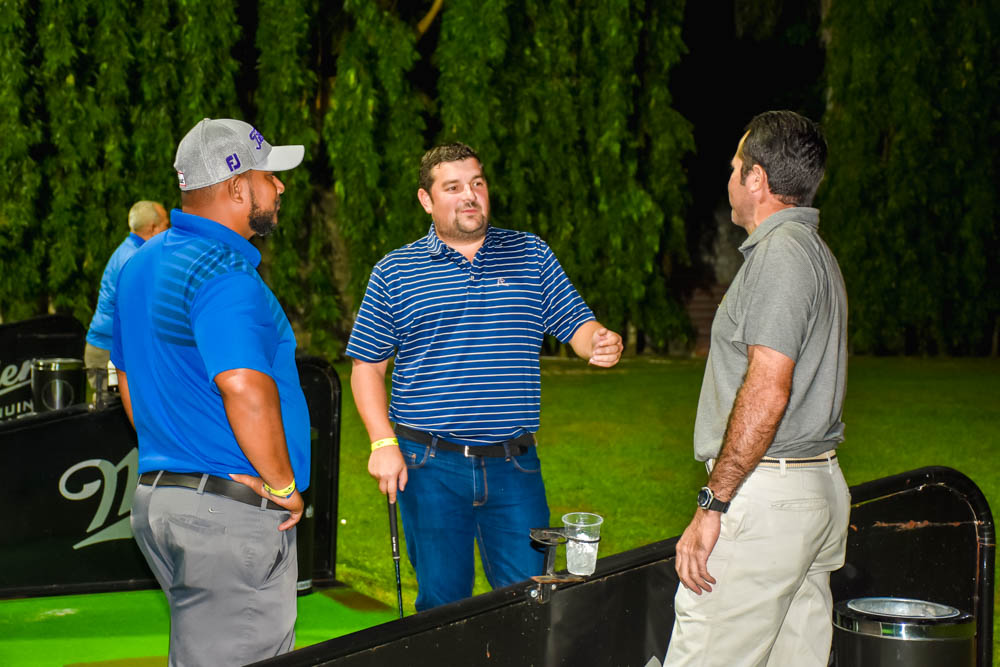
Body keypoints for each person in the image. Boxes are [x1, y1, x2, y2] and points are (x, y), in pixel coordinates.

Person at [346, 142, 623, 612]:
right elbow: (367, 367)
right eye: (453, 187)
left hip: (514, 465)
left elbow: (576, 323)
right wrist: (381, 441)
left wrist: (597, 339)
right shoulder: (395, 271)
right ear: (426, 199)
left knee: (532, 599)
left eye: (477, 183)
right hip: (428, 465)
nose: (470, 195)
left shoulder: (530, 254)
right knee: (443, 605)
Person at [111, 118, 310, 666]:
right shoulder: (224, 271)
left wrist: (178, 450)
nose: (280, 186)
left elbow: (125, 376)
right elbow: (243, 385)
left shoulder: (139, 263)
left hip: (161, 501)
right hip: (226, 514)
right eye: (269, 176)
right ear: (239, 188)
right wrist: (282, 483)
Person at [664, 111, 850, 667]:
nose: (728, 179)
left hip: (768, 498)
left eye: (733, 168)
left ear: (757, 179)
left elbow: (768, 390)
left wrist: (713, 503)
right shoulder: (813, 251)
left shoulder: (782, 253)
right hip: (809, 489)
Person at [85, 201, 170, 377]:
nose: (169, 231)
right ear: (153, 228)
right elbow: (141, 312)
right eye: (166, 225)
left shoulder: (130, 250)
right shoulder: (135, 258)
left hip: (108, 347)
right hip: (110, 352)